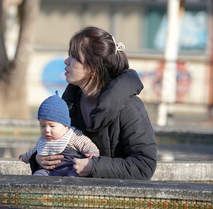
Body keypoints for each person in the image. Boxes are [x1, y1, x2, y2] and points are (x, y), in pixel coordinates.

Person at [29, 26, 157, 180]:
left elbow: (144, 166)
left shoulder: (130, 107)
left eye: (74, 56)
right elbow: (56, 143)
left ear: (93, 67)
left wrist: (93, 167)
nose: (66, 61)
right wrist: (39, 159)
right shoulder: (68, 103)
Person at [19, 92, 99, 176]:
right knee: (38, 174)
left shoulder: (73, 136)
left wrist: (93, 153)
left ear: (65, 125)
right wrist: (25, 157)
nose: (47, 130)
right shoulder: (43, 140)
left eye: (52, 126)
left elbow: (88, 145)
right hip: (51, 171)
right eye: (43, 126)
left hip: (71, 168)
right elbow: (35, 150)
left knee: (75, 176)